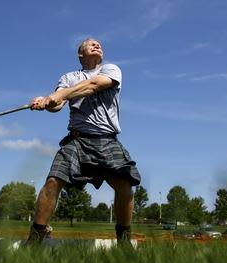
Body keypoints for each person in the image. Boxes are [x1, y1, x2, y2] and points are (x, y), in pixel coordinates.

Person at [26, 38, 141, 245]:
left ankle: (124, 241)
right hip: (77, 140)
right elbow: (57, 105)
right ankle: (35, 238)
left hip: (107, 140)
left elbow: (92, 86)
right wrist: (45, 102)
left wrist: (60, 94)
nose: (97, 45)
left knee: (125, 184)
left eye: (99, 44)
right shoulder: (68, 77)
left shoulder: (111, 70)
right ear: (81, 54)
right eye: (91, 44)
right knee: (53, 181)